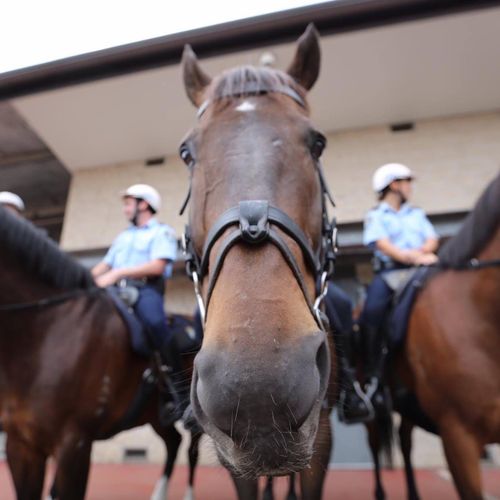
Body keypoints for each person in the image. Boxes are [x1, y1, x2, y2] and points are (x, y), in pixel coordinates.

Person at [341, 163, 439, 422]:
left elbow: (432, 238)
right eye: (406, 181)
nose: (410, 186)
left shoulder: (415, 213)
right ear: (394, 185)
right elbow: (380, 242)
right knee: (371, 312)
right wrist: (407, 255)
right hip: (391, 273)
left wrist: (423, 253)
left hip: (422, 268)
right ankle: (372, 379)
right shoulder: (377, 215)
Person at [92, 184, 186, 424]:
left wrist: (118, 273)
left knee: (156, 323)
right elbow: (104, 266)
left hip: (146, 290)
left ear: (143, 204)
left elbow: (157, 266)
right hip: (115, 290)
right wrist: (80, 281)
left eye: (128, 203)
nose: (125, 209)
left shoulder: (161, 233)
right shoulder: (123, 236)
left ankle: (180, 391)